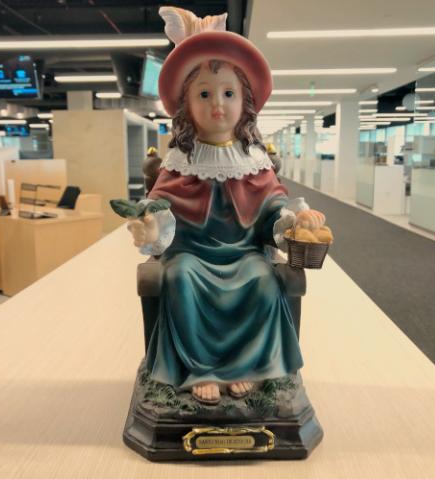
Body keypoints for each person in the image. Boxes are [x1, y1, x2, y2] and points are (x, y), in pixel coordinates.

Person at [127, 6, 325, 405]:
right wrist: (151, 229)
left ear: (245, 103)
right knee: (180, 277)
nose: (217, 104)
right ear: (186, 105)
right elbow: (160, 211)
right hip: (193, 258)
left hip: (243, 257)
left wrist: (294, 220)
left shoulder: (254, 162)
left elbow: (273, 208)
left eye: (228, 93)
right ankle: (202, 370)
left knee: (263, 280)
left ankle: (247, 366)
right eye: (204, 94)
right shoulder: (179, 164)